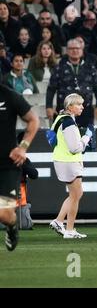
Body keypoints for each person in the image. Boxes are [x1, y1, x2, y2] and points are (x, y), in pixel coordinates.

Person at [0, 83, 39, 251]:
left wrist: (23, 147)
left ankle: (12, 226)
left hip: (7, 166)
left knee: (5, 214)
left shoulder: (9, 96)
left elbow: (33, 120)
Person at [49, 94, 93, 239]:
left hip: (63, 160)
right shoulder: (68, 122)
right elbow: (74, 148)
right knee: (76, 196)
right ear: (70, 107)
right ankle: (69, 230)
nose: (82, 106)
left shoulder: (61, 119)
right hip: (69, 162)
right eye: (79, 104)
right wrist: (87, 137)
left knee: (76, 194)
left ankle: (59, 221)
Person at [46, 39, 97, 128]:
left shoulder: (90, 67)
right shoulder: (59, 67)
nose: (75, 50)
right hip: (64, 111)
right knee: (64, 140)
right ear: (67, 51)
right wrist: (48, 106)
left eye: (77, 48)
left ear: (81, 50)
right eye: (72, 48)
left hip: (85, 111)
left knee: (86, 140)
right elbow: (51, 88)